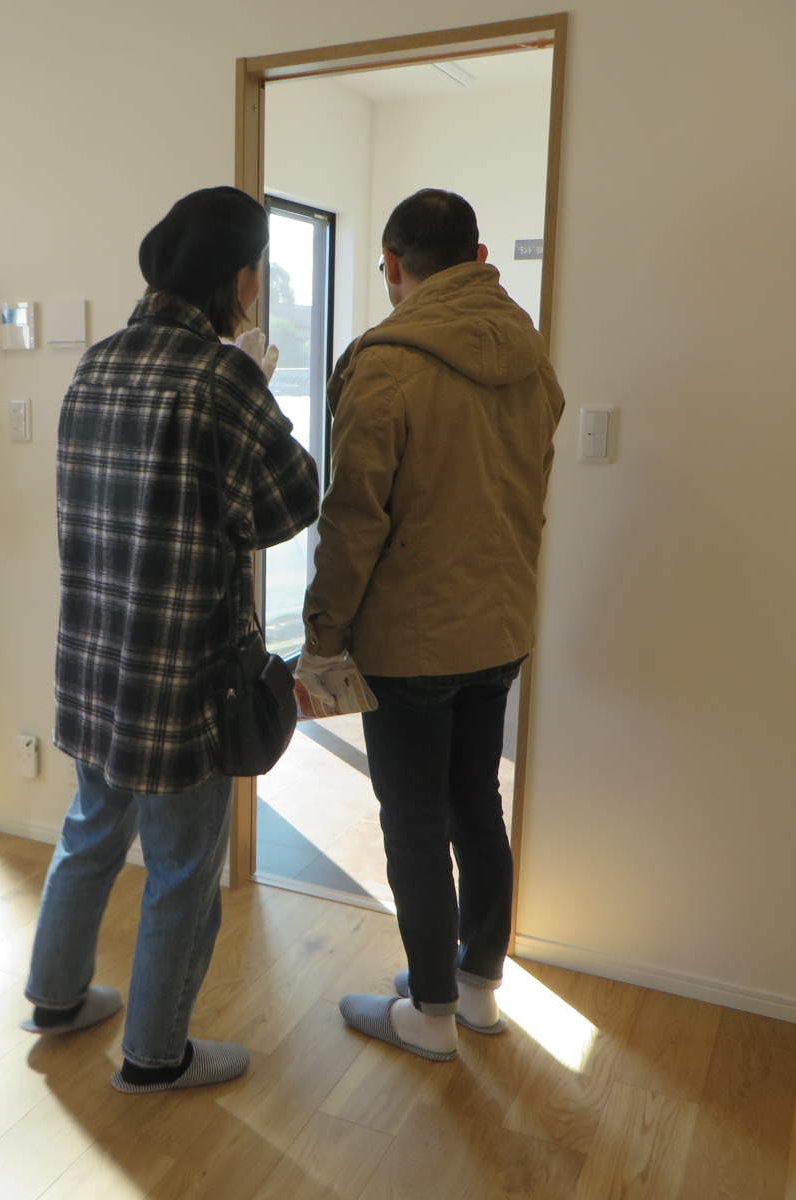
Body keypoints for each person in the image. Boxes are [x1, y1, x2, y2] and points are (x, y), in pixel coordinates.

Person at [22, 187, 319, 1093]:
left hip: (93, 661)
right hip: (183, 673)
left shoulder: (95, 364)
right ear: (239, 278)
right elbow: (290, 504)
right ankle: (155, 1058)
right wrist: (259, 388)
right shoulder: (222, 377)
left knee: (90, 831)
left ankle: (56, 997)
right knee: (184, 868)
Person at [297, 190, 564, 1060]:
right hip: (500, 626)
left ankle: (431, 1013)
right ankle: (478, 988)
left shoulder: (386, 364)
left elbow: (354, 520)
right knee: (477, 805)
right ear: (479, 256)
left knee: (414, 822)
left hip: (411, 641)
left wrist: (323, 636)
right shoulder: (531, 357)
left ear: (392, 265)